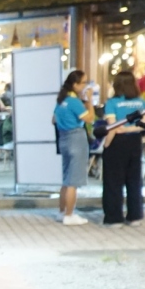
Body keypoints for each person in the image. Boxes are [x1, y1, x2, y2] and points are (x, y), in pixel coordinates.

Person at [101, 71, 145, 227]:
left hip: (117, 143)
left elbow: (113, 127)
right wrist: (131, 130)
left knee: (114, 181)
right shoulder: (141, 102)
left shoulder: (112, 103)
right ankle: (135, 216)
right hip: (135, 142)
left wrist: (106, 144)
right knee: (134, 180)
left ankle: (114, 218)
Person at [52, 70, 94, 226]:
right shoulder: (74, 101)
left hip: (63, 138)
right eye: (83, 82)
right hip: (76, 138)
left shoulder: (61, 100)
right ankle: (69, 215)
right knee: (73, 181)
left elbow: (53, 119)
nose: (85, 86)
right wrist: (89, 101)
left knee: (66, 178)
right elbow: (90, 119)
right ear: (75, 84)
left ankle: (62, 212)